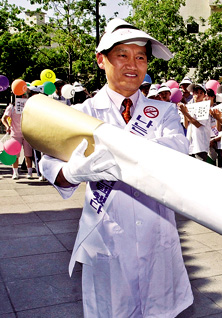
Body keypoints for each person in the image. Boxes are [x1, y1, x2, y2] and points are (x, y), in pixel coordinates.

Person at [39, 18, 193, 317]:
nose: (132, 64)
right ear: (102, 60)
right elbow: (49, 164)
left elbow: (179, 149)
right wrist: (71, 173)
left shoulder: (163, 111)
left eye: (141, 57)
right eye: (122, 55)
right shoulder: (80, 114)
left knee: (159, 311)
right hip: (106, 235)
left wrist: (116, 149)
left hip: (156, 233)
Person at [2, 87, 38, 179]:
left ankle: (29, 172)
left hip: (26, 133)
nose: (25, 96)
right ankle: (15, 173)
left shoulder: (28, 105)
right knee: (15, 154)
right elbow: (3, 118)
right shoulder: (12, 107)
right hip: (15, 134)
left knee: (28, 154)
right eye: (23, 94)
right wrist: (7, 126)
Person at [179, 84, 211, 161]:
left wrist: (185, 113)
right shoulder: (189, 106)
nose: (198, 95)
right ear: (193, 94)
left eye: (201, 93)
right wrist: (184, 113)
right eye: (196, 92)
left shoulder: (205, 107)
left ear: (204, 95)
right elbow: (186, 125)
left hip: (200, 146)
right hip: (190, 145)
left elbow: (198, 124)